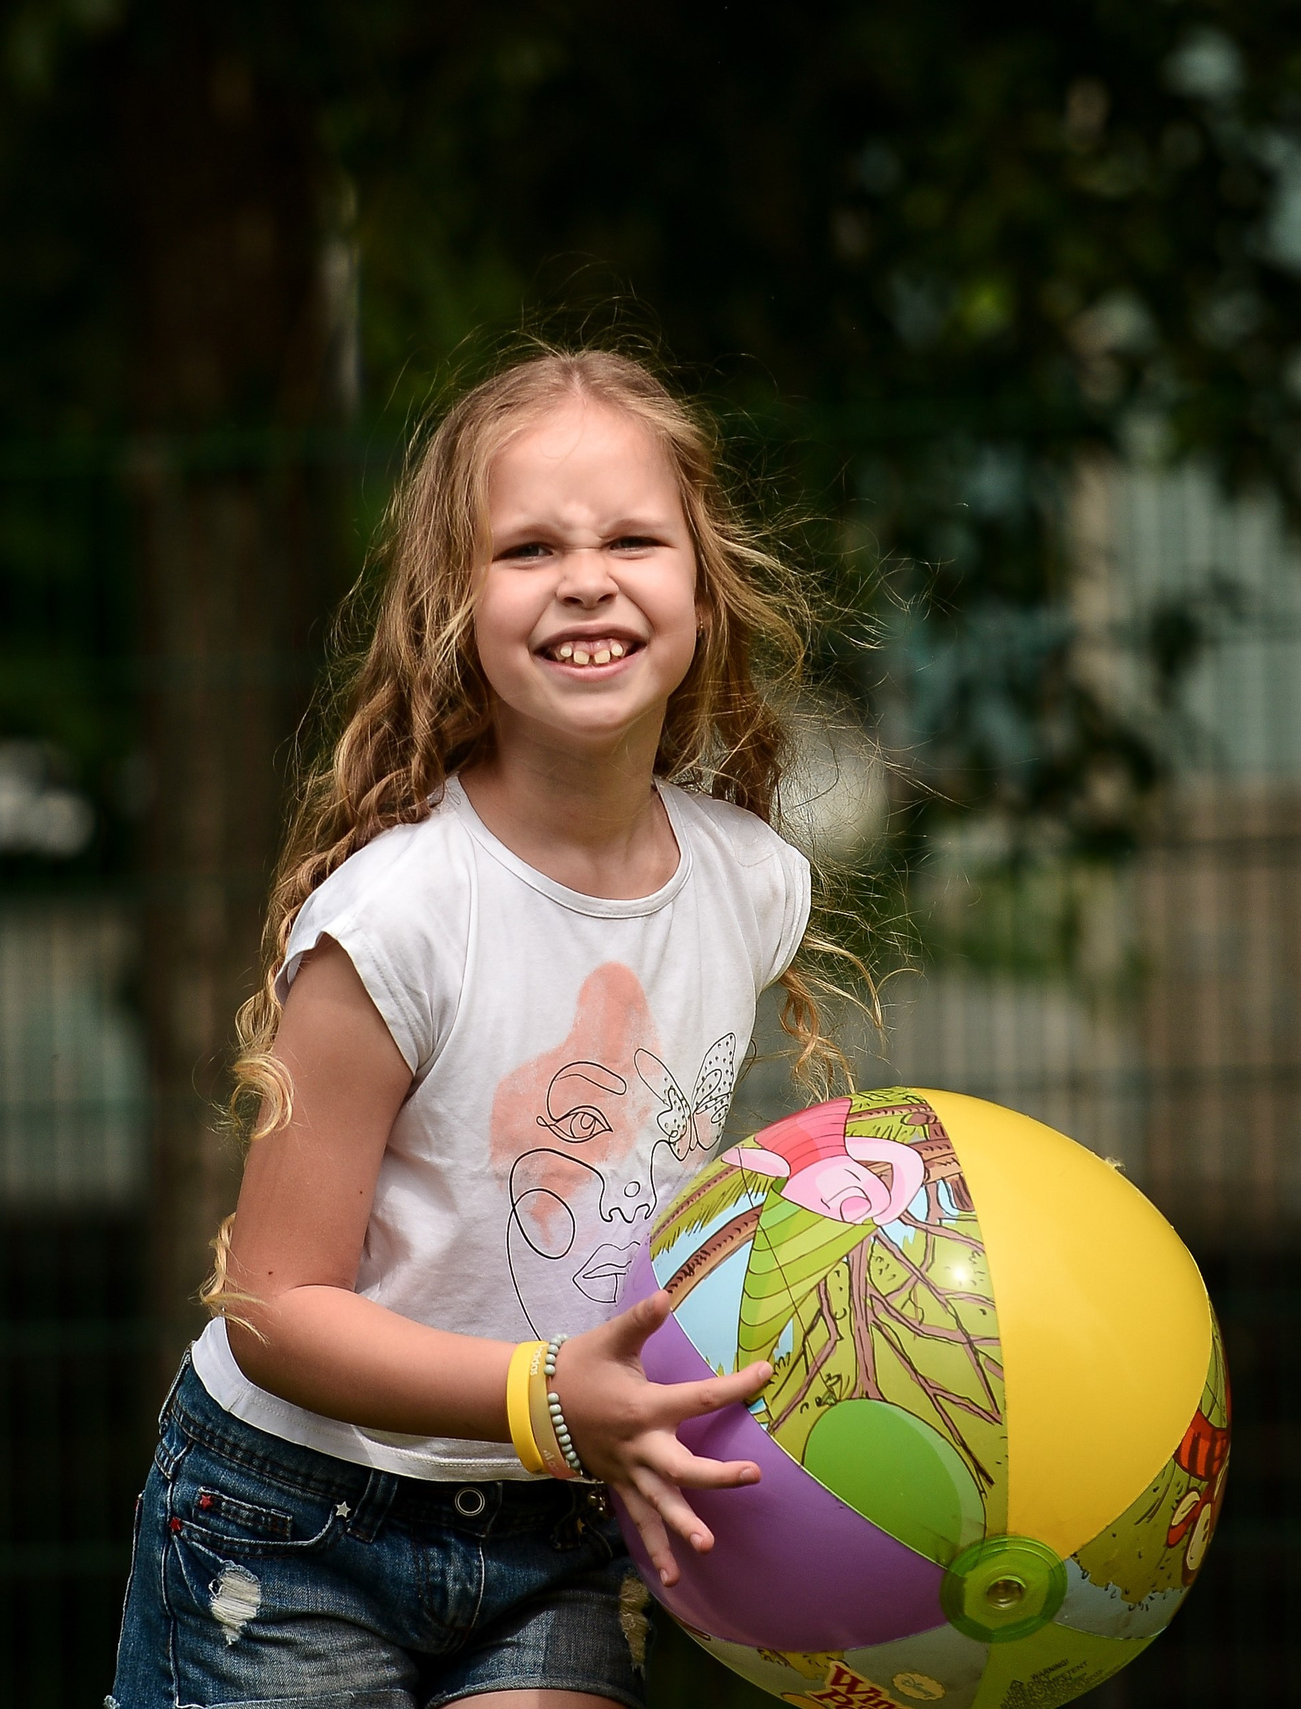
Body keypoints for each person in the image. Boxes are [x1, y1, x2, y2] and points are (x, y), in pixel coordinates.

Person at [112, 347, 867, 1709]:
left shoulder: (752, 885)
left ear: (703, 582)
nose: (588, 575)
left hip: (552, 1515)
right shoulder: (396, 919)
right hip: (288, 1526)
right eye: (528, 546)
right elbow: (275, 1304)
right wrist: (549, 1394)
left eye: (634, 537)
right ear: (454, 604)